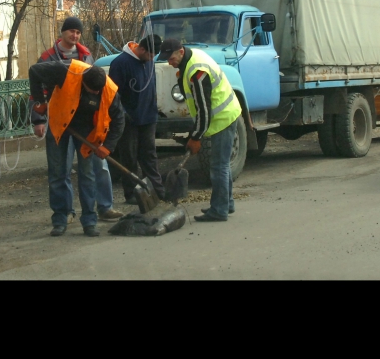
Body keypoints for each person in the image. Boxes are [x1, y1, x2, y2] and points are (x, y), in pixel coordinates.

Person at [34, 15, 122, 223]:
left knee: (96, 168)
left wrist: (106, 142)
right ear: (62, 32)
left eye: (78, 32)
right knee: (61, 169)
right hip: (60, 121)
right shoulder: (49, 58)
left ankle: (104, 207)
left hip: (85, 124)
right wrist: (37, 117)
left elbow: (97, 92)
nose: (74, 35)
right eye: (71, 31)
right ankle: (65, 213)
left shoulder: (86, 55)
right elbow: (37, 86)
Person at [29, 61, 126, 237]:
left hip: (88, 132)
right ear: (83, 81)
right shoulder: (65, 72)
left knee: (87, 175)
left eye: (98, 91)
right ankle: (60, 219)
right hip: (60, 124)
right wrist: (40, 101)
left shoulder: (109, 90)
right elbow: (34, 70)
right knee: (57, 173)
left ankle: (89, 221)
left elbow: (119, 120)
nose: (96, 94)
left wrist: (108, 147)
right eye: (92, 91)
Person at [157, 37, 242, 221]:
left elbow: (204, 109)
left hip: (222, 117)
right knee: (222, 164)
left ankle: (219, 210)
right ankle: (226, 203)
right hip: (224, 114)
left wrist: (195, 137)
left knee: (218, 166)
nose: (169, 63)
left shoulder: (197, 71)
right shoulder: (191, 58)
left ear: (180, 52)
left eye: (171, 58)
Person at [108, 34, 165, 205]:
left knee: (149, 155)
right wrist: (122, 113)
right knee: (130, 157)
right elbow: (112, 93)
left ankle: (157, 190)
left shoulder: (149, 61)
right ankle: (131, 193)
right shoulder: (120, 64)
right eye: (149, 55)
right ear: (141, 49)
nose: (151, 59)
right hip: (128, 119)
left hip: (148, 116)